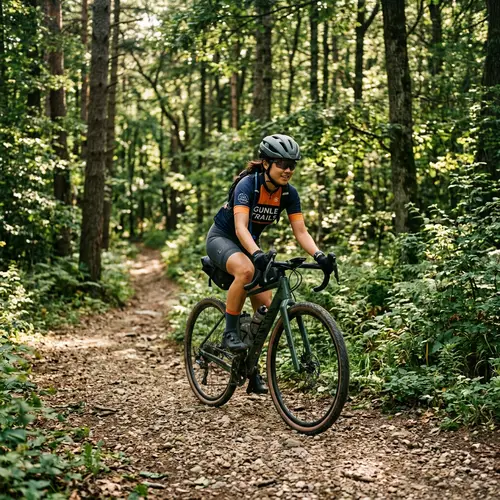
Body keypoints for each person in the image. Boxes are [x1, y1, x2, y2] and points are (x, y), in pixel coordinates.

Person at [206, 134, 334, 394]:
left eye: (292, 165)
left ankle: (250, 370)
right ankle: (230, 332)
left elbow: (301, 232)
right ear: (266, 163)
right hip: (223, 239)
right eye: (282, 163)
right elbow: (241, 228)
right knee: (246, 270)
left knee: (265, 312)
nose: (288, 170)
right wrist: (256, 254)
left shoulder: (288, 193)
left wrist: (319, 255)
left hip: (249, 245)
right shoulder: (247, 185)